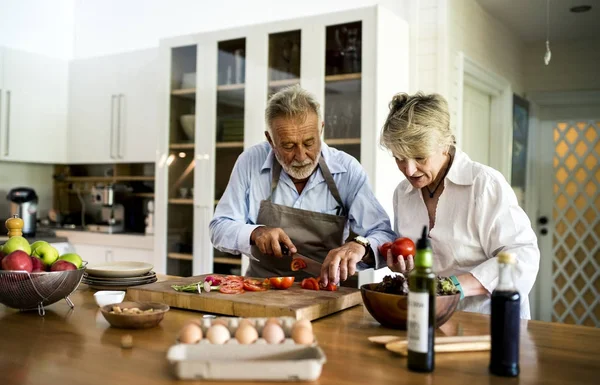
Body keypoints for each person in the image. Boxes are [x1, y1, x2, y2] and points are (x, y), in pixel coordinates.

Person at [209, 85, 396, 285]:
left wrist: (360, 246)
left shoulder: (347, 170)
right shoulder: (250, 162)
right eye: (288, 146)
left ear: (321, 129)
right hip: (262, 289)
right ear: (270, 140)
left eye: (309, 143)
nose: (301, 156)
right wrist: (256, 232)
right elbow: (219, 227)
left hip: (325, 292)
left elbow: (383, 235)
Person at [379, 92, 540, 319]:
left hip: (489, 321)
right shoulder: (402, 193)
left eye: (420, 157)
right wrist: (407, 270)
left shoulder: (483, 184)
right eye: (399, 158)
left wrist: (456, 286)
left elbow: (522, 255)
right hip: (428, 318)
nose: (409, 170)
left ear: (445, 144)